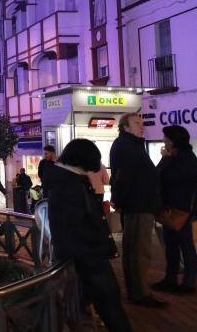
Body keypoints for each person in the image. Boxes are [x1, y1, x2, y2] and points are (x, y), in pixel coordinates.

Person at [48, 138, 132, 332]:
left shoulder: (66, 180)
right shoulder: (70, 184)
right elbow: (79, 223)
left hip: (81, 257)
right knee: (108, 302)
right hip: (88, 258)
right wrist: (98, 248)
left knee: (90, 306)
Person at [109, 113, 166, 308]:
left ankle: (136, 291)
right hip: (138, 205)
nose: (142, 126)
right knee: (139, 251)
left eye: (142, 123)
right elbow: (123, 177)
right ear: (125, 127)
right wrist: (119, 200)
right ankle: (140, 293)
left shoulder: (130, 144)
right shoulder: (128, 146)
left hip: (137, 204)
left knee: (135, 250)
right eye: (137, 123)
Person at [152, 125, 197, 295]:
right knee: (171, 246)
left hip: (182, 210)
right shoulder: (176, 157)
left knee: (186, 246)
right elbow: (157, 175)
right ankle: (170, 279)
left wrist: (165, 159)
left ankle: (189, 284)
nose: (163, 140)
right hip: (170, 209)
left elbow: (172, 179)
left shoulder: (187, 157)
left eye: (165, 138)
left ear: (173, 141)